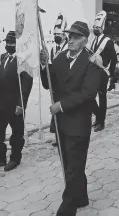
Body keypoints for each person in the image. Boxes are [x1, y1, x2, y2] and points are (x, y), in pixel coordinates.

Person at [39, 21, 101, 216]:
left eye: (75, 37)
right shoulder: (59, 59)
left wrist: (62, 105)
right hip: (60, 124)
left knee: (74, 166)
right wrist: (44, 65)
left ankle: (67, 208)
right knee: (68, 163)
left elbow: (88, 93)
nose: (71, 40)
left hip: (78, 123)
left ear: (84, 40)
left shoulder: (91, 61)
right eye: (70, 36)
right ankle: (81, 197)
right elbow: (49, 84)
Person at [0, 31, 33, 171]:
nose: (8, 45)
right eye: (7, 42)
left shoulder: (23, 60)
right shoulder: (4, 57)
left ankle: (15, 158)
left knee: (17, 132)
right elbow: (3, 76)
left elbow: (27, 83)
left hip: (15, 101)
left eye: (11, 43)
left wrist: (21, 104)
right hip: (1, 99)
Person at [89, 11, 117, 132]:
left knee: (102, 98)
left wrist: (111, 73)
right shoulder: (94, 41)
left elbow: (114, 58)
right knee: (90, 97)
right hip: (93, 72)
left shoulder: (108, 41)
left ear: (102, 28)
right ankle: (99, 117)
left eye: (98, 27)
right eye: (94, 27)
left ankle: (101, 122)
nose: (95, 29)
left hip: (102, 73)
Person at [49, 13, 68, 147]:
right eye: (56, 35)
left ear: (64, 36)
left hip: (66, 84)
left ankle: (65, 136)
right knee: (56, 111)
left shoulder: (68, 49)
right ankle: (57, 136)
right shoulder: (52, 49)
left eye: (60, 35)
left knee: (65, 111)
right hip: (56, 84)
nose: (57, 37)